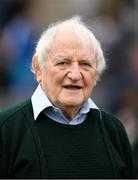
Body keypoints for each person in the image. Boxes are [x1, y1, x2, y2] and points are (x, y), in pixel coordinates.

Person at [0, 16, 136, 179]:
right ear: (38, 68)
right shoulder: (7, 128)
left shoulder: (114, 130)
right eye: (63, 62)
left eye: (85, 64)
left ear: (96, 74)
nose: (75, 74)